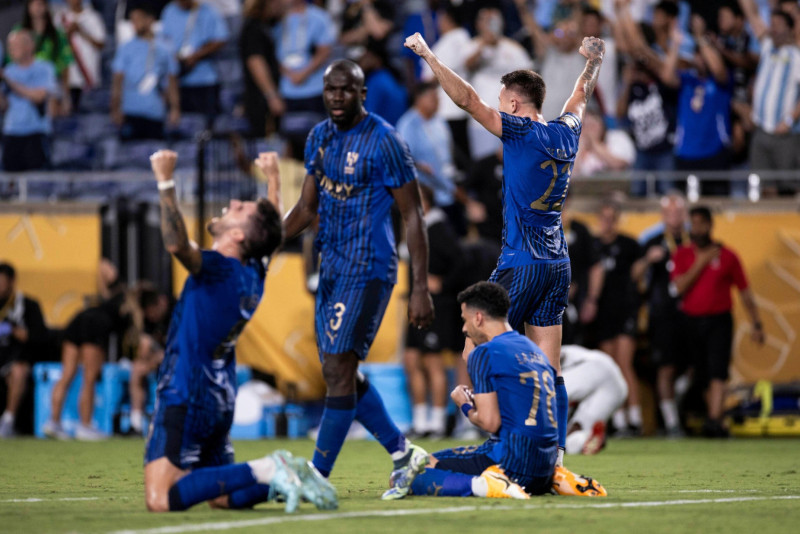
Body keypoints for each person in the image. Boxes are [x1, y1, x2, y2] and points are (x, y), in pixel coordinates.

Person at [405, 27, 606, 470]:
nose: (497, 106)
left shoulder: (519, 131)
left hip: (523, 262)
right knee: (548, 368)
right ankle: (554, 456)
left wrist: (429, 56)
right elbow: (581, 96)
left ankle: (489, 425)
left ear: (514, 105)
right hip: (557, 263)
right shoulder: (567, 132)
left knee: (474, 345)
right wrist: (592, 62)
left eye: (502, 101)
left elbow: (467, 100)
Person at [142, 148, 336, 513]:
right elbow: (270, 234)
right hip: (219, 396)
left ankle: (270, 468)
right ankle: (287, 479)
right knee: (221, 496)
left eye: (240, 209)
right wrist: (273, 180)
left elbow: (177, 244)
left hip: (186, 390)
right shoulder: (253, 272)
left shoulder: (219, 267)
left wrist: (165, 181)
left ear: (237, 234)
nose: (232, 203)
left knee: (161, 498)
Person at [282, 60, 434, 499]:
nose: (336, 96)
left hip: (369, 267)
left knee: (337, 368)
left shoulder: (385, 140)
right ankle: (403, 453)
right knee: (340, 370)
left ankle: (316, 475)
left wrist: (419, 286)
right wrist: (263, 241)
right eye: (330, 89)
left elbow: (412, 214)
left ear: (362, 94)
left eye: (345, 89)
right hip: (331, 267)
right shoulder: (318, 137)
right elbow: (306, 208)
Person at [406, 282, 607, 499]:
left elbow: (489, 423)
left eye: (465, 320)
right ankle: (556, 478)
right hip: (545, 465)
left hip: (511, 462)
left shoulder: (484, 353)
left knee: (412, 472)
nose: (464, 328)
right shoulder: (535, 351)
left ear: (478, 318)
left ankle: (487, 485)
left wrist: (464, 404)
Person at [670, 206, 764, 437]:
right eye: (693, 224)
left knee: (718, 370)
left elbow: (745, 292)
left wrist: (756, 323)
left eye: (701, 224)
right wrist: (702, 262)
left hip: (719, 320)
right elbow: (678, 288)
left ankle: (713, 420)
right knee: (700, 373)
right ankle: (715, 419)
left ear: (710, 225)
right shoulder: (682, 254)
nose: (697, 229)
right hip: (691, 321)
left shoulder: (728, 256)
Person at [44, 260, 136, 441]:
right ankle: (85, 426)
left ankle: (53, 422)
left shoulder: (111, 296)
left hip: (78, 319)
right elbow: (103, 268)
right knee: (89, 378)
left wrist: (107, 272)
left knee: (67, 374)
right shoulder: (129, 302)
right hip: (95, 325)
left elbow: (102, 269)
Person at [403, 186, 463, 439]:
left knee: (432, 362)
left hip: (435, 304)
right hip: (415, 304)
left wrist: (444, 284)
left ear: (426, 201)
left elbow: (461, 260)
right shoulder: (416, 228)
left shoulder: (438, 228)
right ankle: (420, 422)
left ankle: (437, 423)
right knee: (411, 359)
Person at [632, 191, 688, 437]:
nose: (674, 216)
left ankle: (681, 400)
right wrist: (647, 260)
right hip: (662, 313)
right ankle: (671, 422)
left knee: (694, 366)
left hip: (692, 312)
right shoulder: (652, 240)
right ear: (663, 215)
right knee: (665, 368)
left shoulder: (693, 239)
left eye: (678, 212)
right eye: (669, 212)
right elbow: (635, 275)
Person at [590, 198, 642, 436]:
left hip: (625, 309)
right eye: (604, 218)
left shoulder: (629, 244)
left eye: (612, 218)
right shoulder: (593, 246)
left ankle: (635, 419)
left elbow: (638, 276)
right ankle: (619, 422)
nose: (607, 223)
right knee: (610, 367)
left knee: (624, 363)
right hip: (603, 312)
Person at [738, 0, 800, 186]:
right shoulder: (767, 47)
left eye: (778, 25)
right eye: (771, 24)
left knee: (789, 187)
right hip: (761, 129)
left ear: (790, 28)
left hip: (785, 133)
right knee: (763, 186)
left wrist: (789, 120)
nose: (773, 29)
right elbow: (752, 15)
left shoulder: (796, 56)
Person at [273, 0, 336, 158]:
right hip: (287, 90)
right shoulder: (277, 17)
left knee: (320, 141)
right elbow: (270, 50)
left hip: (314, 89)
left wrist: (304, 73)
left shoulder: (319, 17)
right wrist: (286, 72)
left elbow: (324, 49)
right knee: (290, 143)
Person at [110, 4, 180, 141]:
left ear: (150, 20)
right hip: (130, 113)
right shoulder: (125, 48)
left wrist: (175, 108)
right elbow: (117, 81)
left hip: (155, 113)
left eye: (138, 19)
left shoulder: (165, 48)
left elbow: (171, 80)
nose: (134, 24)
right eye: (132, 20)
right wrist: (115, 108)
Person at [396, 81, 459, 228]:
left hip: (447, 184)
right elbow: (402, 157)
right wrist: (420, 166)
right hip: (426, 191)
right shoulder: (407, 125)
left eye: (437, 97)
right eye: (432, 97)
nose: (437, 101)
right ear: (419, 99)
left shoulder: (439, 120)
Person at [0, 29, 59, 172]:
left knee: (37, 179)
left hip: (36, 133)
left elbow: (39, 96)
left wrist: (9, 82)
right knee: (10, 180)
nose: (11, 49)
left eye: (16, 45)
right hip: (11, 133)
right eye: (10, 46)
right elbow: (3, 106)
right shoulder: (8, 71)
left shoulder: (44, 68)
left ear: (29, 46)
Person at [0, 262, 48, 438]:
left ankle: (8, 421)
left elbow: (40, 337)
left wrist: (13, 330)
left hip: (18, 359)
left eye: (1, 282)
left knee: (18, 371)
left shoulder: (27, 305)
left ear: (11, 281)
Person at [160, 0, 228, 117]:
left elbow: (221, 39)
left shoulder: (208, 11)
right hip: (178, 80)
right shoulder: (169, 10)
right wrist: (174, 57)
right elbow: (163, 40)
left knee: (207, 122)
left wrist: (197, 56)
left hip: (205, 80)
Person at [561, 344, 627, 455]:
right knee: (577, 434)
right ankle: (585, 438)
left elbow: (558, 358)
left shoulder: (538, 354)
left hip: (593, 365)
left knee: (547, 394)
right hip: (617, 387)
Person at [17, 0, 73, 116]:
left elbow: (65, 66)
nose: (37, 8)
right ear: (28, 7)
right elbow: (12, 61)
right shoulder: (18, 33)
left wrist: (66, 97)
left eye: (41, 4)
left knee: (51, 110)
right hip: (24, 84)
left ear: (46, 7)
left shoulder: (57, 34)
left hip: (50, 85)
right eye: (34, 4)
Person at [239, 0, 285, 138]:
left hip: (266, 96)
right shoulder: (253, 29)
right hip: (260, 99)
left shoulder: (266, 26)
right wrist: (271, 96)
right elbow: (255, 62)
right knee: (265, 144)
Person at [54, 0, 106, 111]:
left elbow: (101, 44)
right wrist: (67, 34)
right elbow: (55, 45)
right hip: (68, 79)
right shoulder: (60, 17)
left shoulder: (92, 17)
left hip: (88, 77)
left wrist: (81, 31)